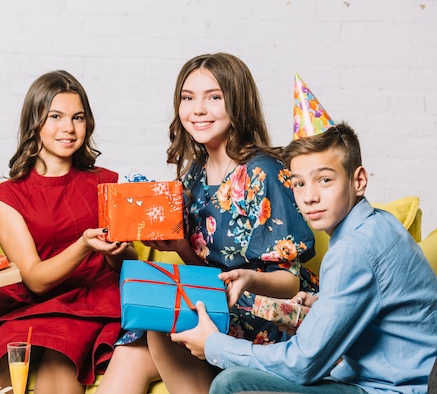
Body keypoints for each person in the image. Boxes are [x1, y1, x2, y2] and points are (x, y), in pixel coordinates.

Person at [97, 53, 318, 394]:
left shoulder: (265, 172)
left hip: (266, 316)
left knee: (160, 321)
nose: (198, 109)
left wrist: (246, 280)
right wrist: (181, 247)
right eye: (188, 98)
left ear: (237, 103)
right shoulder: (195, 175)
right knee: (134, 344)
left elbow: (290, 282)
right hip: (217, 305)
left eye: (213, 97)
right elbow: (209, 272)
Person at [172, 117, 437, 393]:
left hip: (392, 389)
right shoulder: (378, 224)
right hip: (384, 379)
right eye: (299, 184)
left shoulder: (353, 250)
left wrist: (214, 344)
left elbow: (303, 365)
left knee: (232, 385)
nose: (309, 197)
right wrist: (321, 304)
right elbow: (380, 297)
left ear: (358, 180)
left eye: (324, 180)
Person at [0, 70, 138, 394]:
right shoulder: (7, 195)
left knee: (61, 349)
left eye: (77, 117)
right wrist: (84, 245)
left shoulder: (106, 182)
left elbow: (126, 264)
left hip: (93, 298)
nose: (68, 128)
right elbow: (36, 279)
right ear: (35, 121)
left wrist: (118, 250)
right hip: (34, 299)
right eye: (55, 116)